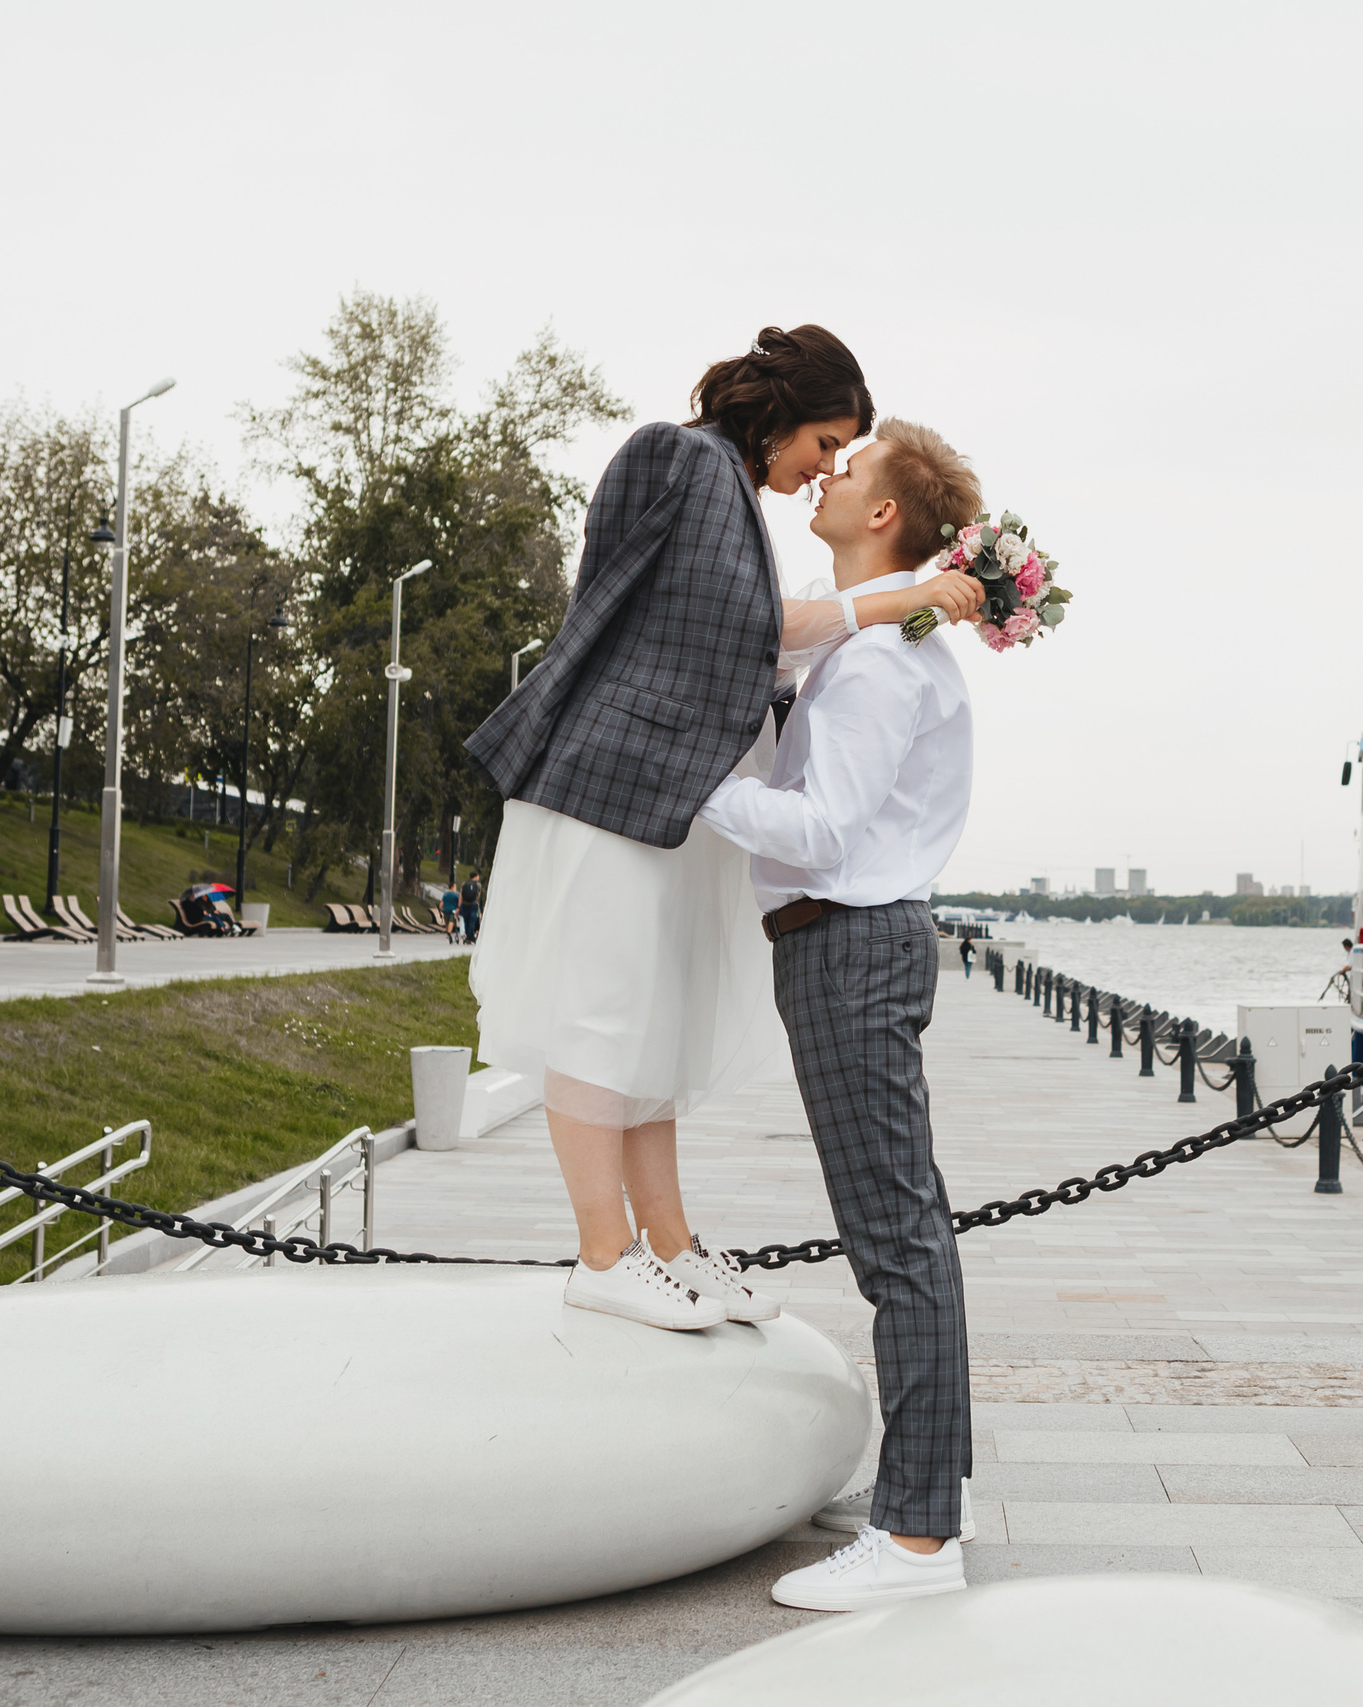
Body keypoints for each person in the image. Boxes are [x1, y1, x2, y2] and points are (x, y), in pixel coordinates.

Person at [462, 328, 980, 1333]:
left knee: (644, 1025)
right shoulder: (686, 457)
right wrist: (901, 600)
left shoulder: (728, 486)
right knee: (600, 1016)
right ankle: (601, 1253)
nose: (822, 468)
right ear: (782, 412)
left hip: (667, 804)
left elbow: (737, 650)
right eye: (824, 443)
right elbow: (743, 633)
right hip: (621, 793)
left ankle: (668, 1245)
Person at [695, 419, 983, 1612]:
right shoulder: (878, 640)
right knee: (904, 1232)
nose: (827, 475)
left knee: (895, 1242)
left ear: (884, 516)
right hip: (852, 945)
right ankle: (927, 1497)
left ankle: (916, 1541)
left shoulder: (878, 662)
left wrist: (699, 788)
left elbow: (821, 833)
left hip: (848, 946)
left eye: (850, 469)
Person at [458, 873, 482, 944]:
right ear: (475, 877)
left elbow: (461, 895)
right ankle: (470, 937)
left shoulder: (464, 884)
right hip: (473, 904)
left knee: (466, 921)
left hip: (465, 905)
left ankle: (468, 936)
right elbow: (478, 896)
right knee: (472, 920)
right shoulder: (478, 885)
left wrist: (459, 906)